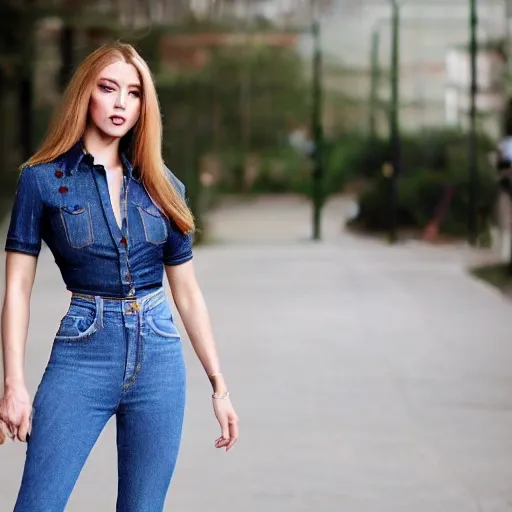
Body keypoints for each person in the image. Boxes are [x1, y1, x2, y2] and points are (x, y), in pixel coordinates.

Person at [0, 42, 239, 511]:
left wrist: (220, 387)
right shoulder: (41, 180)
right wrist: (13, 384)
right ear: (85, 95)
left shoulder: (164, 185)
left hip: (159, 357)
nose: (120, 103)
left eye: (133, 93)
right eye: (108, 89)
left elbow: (186, 292)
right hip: (83, 351)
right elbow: (17, 288)